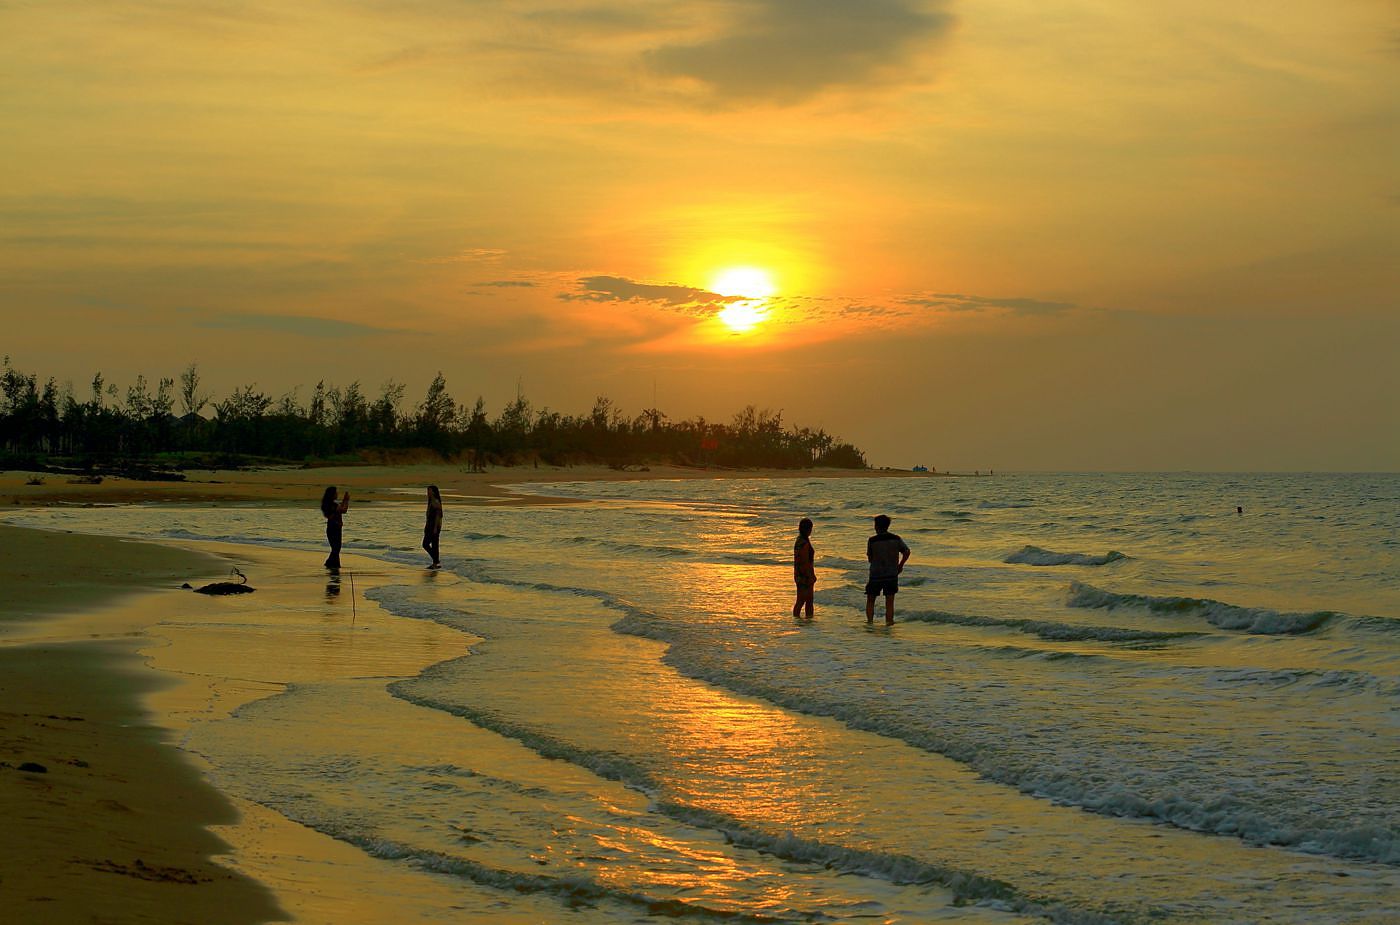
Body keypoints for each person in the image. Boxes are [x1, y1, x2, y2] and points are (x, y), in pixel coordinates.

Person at [865, 514, 910, 625]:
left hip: (876, 574)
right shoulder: (896, 538)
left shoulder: (872, 540)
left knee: (871, 600)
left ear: (876, 526)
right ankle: (889, 623)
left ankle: (870, 623)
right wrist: (900, 565)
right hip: (891, 574)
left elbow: (870, 558)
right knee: (889, 602)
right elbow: (906, 551)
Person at [320, 486, 350, 570]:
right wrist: (346, 500)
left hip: (331, 528)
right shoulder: (333, 505)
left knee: (335, 549)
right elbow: (343, 510)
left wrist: (344, 501)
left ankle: (332, 565)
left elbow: (340, 509)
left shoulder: (328, 505)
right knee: (336, 549)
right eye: (335, 493)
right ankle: (332, 565)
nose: (337, 494)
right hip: (335, 528)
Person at [792, 517, 816, 619]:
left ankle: (802, 621)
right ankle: (804, 621)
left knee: (805, 600)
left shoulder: (799, 540)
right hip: (804, 575)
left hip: (799, 574)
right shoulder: (804, 543)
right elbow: (805, 561)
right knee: (804, 600)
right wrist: (810, 576)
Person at [423, 485, 443, 568]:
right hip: (430, 526)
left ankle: (436, 561)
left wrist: (435, 528)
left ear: (434, 492)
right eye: (428, 491)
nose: (428, 492)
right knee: (432, 544)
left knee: (426, 544)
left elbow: (438, 516)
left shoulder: (435, 502)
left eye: (429, 491)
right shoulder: (431, 502)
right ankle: (435, 562)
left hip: (434, 526)